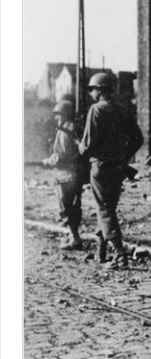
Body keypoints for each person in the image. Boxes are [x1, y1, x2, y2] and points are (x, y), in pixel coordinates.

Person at [79, 73, 143, 269]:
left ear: (100, 90)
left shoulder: (96, 110)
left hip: (100, 167)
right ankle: (101, 250)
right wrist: (124, 156)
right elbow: (138, 139)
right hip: (118, 168)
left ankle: (120, 254)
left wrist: (79, 147)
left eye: (93, 89)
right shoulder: (123, 109)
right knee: (108, 208)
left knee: (104, 210)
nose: (91, 93)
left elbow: (88, 145)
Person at [43, 100, 85, 250]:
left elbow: (61, 156)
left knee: (65, 208)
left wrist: (48, 161)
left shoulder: (64, 131)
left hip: (64, 176)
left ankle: (74, 238)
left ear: (65, 114)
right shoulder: (75, 128)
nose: (56, 118)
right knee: (75, 206)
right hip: (76, 175)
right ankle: (75, 237)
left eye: (58, 115)